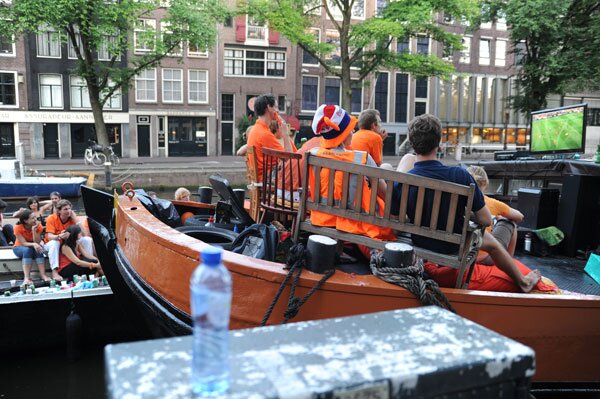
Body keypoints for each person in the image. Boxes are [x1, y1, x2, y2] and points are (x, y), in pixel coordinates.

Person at [392, 114, 546, 293]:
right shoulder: (460, 175)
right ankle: (523, 281)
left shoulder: (402, 180)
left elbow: (396, 226)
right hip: (454, 245)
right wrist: (464, 214)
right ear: (439, 143)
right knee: (494, 244)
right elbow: (486, 220)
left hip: (421, 244)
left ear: (412, 144)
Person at [309, 104, 395, 251]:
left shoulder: (313, 154)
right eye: (350, 129)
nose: (353, 131)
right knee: (394, 221)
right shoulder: (361, 158)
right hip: (356, 220)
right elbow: (382, 191)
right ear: (343, 134)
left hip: (322, 217)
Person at [467, 165, 524, 263]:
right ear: (485, 184)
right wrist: (499, 217)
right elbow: (520, 217)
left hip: (459, 254)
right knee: (510, 222)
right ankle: (509, 261)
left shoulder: (456, 200)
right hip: (482, 258)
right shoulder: (492, 203)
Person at [247, 94, 295, 178]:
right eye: (276, 107)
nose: (278, 111)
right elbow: (290, 157)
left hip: (261, 179)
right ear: (269, 107)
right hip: (267, 182)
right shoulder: (265, 134)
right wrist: (285, 134)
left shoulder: (255, 129)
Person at [44, 199, 94, 281]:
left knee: (87, 240)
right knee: (54, 243)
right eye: (65, 209)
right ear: (59, 211)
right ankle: (55, 271)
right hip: (51, 244)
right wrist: (59, 236)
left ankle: (88, 263)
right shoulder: (52, 218)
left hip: (67, 243)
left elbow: (85, 234)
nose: (68, 211)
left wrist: (76, 219)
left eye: (69, 208)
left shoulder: (72, 218)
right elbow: (49, 236)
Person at [12, 209, 49, 284]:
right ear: (25, 221)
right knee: (27, 250)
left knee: (39, 250)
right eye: (32, 218)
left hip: (33, 246)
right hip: (19, 247)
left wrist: (34, 231)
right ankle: (26, 278)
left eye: (35, 217)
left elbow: (37, 242)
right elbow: (23, 243)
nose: (35, 219)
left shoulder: (38, 226)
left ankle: (43, 275)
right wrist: (34, 244)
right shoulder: (18, 227)